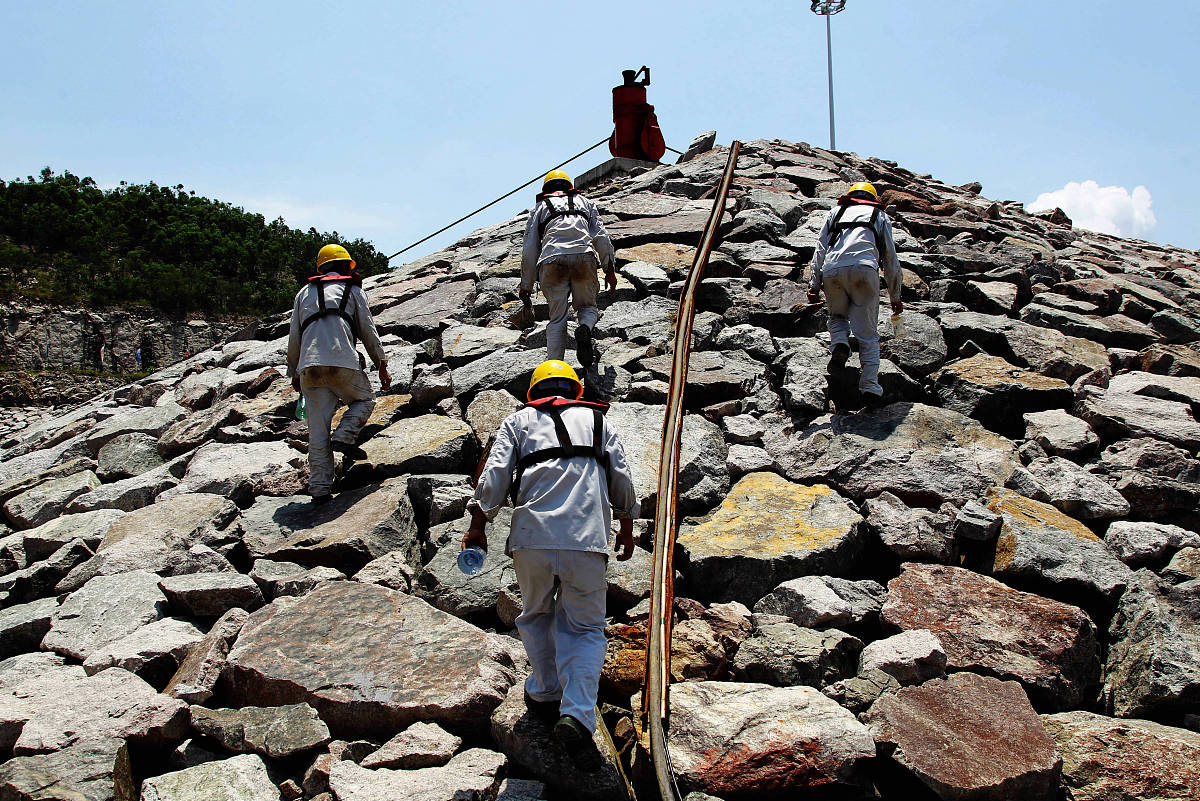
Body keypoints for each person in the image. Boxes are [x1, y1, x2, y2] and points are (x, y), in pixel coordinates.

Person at [463, 360, 637, 766]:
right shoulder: (598, 421)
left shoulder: (517, 422)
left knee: (537, 613)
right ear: (577, 390)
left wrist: (477, 524)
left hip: (531, 540)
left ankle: (544, 690)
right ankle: (576, 715)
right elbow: (622, 478)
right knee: (586, 627)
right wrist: (626, 524)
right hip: (586, 540)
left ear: (533, 392)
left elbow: (494, 477)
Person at [286, 243, 391, 504]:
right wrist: (381, 363)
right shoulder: (353, 290)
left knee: (317, 433)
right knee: (364, 400)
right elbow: (367, 329)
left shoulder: (303, 293)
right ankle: (344, 436)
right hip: (342, 361)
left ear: (321, 268)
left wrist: (294, 373)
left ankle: (320, 490)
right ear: (345, 266)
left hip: (308, 366)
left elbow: (294, 337)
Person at [806, 181, 903, 405]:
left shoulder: (835, 212)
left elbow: (820, 248)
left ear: (849, 196)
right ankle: (870, 387)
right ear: (872, 199)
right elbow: (889, 258)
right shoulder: (878, 216)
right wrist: (895, 295)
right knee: (868, 336)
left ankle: (840, 344)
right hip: (864, 269)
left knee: (837, 316)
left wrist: (814, 283)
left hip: (832, 270)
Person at [520, 170, 617, 373]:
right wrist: (609, 269)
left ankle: (554, 371)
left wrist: (526, 285)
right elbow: (601, 236)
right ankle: (585, 328)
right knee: (588, 307)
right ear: (569, 186)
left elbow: (530, 248)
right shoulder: (585, 202)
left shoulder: (539, 208)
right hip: (584, 256)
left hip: (552, 260)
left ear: (546, 189)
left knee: (557, 319)